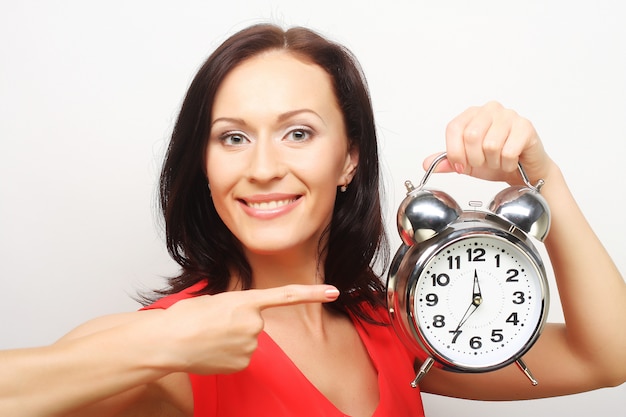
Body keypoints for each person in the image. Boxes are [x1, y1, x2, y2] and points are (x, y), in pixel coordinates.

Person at [1, 23, 625, 417]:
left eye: (298, 132)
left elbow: (609, 357)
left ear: (349, 158)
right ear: (204, 165)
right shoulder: (172, 347)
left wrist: (544, 182)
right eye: (233, 138)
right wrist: (159, 346)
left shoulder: (394, 327)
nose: (264, 167)